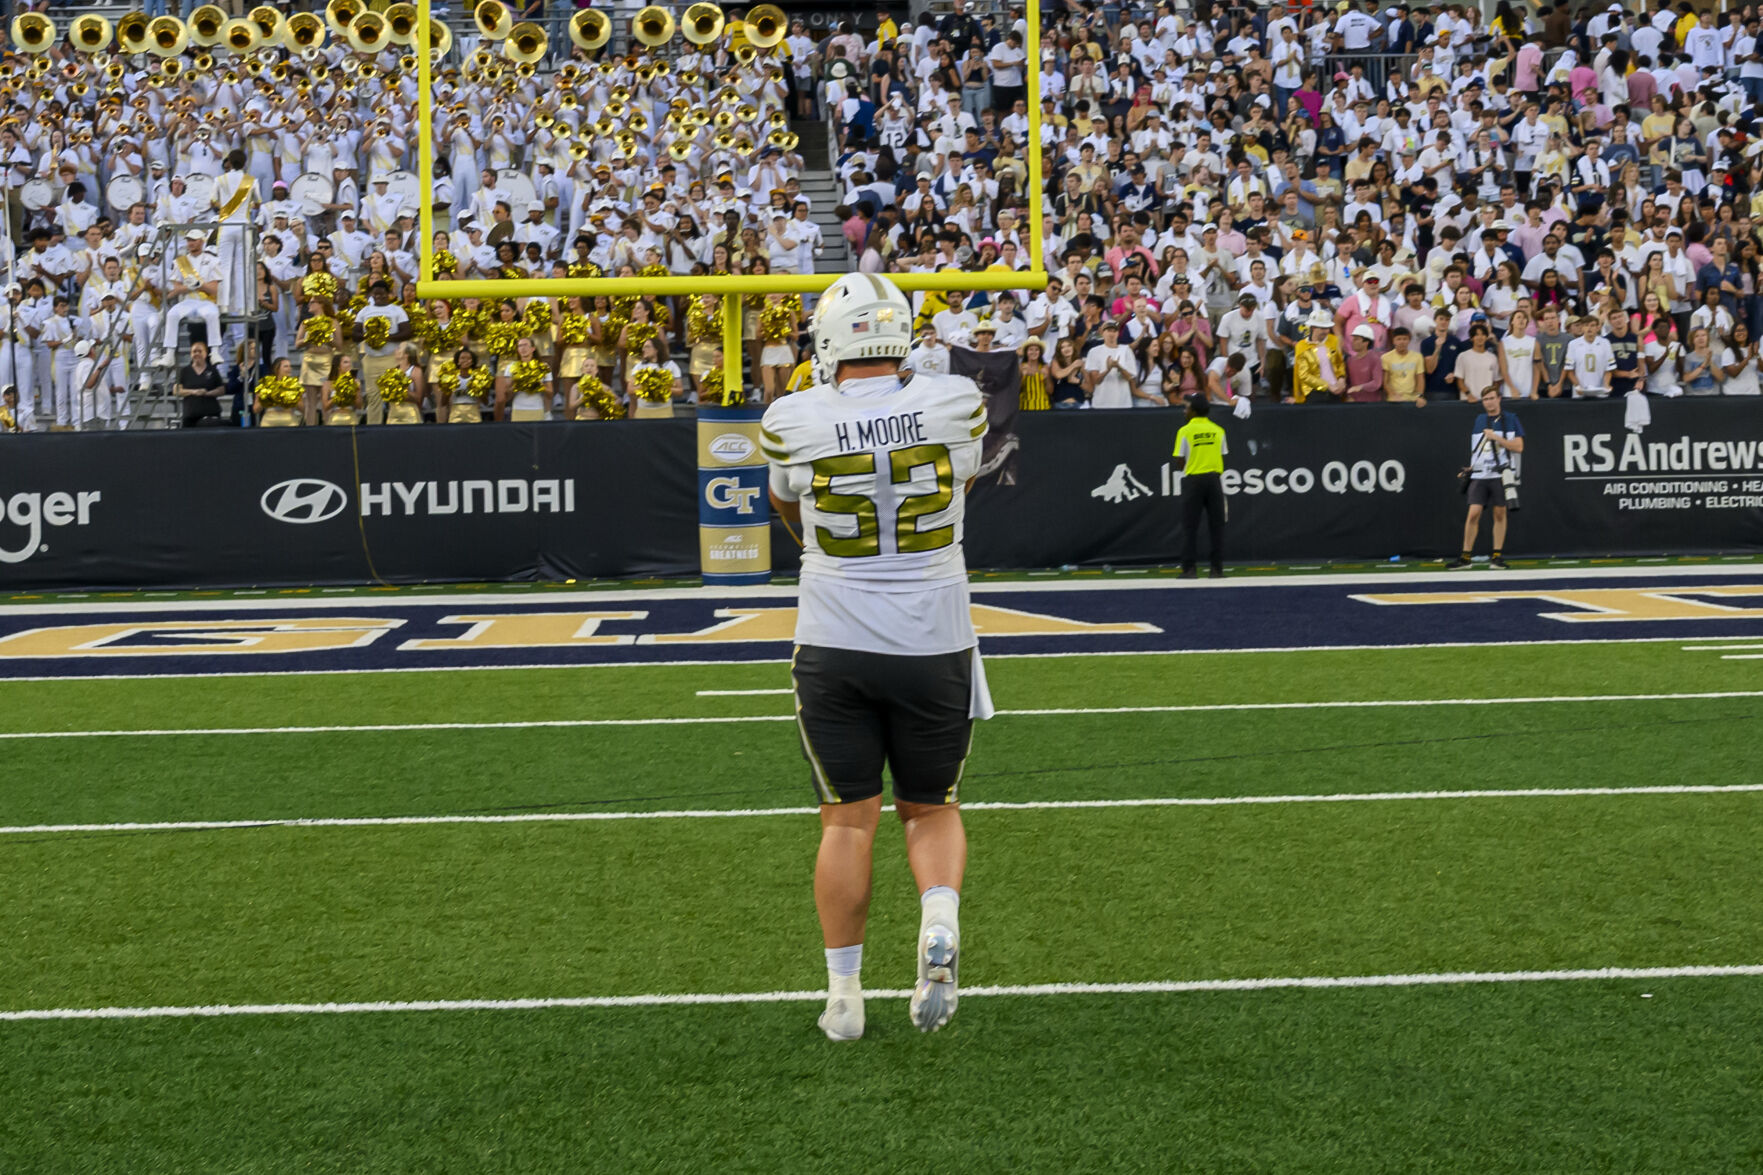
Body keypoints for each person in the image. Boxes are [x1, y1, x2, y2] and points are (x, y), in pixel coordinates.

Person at [761, 272, 992, 1042]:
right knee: (931, 806)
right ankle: (936, 914)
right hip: (934, 634)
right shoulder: (954, 400)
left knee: (846, 821)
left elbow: (787, 498)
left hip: (834, 635)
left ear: (828, 341)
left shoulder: (793, 416)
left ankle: (843, 994)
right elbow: (958, 469)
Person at [1448, 386, 1523, 571]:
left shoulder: (1510, 419)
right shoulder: (1479, 419)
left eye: (1491, 398)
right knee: (1473, 512)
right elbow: (1479, 449)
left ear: (1499, 398)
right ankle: (1466, 556)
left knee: (1499, 513)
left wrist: (1497, 437)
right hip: (1480, 473)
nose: (1489, 402)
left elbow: (1519, 447)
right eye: (1485, 399)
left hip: (1501, 472)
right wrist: (1471, 468)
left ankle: (1497, 556)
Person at [1173, 393, 1228, 579]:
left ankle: (1189, 569)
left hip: (1193, 480)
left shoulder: (1185, 431)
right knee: (1217, 526)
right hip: (1214, 480)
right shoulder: (1219, 430)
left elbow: (1179, 459)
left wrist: (1190, 467)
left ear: (1194, 411)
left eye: (1187, 408)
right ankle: (1216, 569)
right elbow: (1222, 453)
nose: (1185, 411)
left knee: (1190, 527)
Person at [176, 340, 226, 428]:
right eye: (194, 351)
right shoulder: (185, 371)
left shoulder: (213, 370)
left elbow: (221, 389)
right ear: (191, 354)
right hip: (190, 415)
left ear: (206, 353)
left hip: (211, 414)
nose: (197, 354)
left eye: (200, 351)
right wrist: (194, 392)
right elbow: (176, 390)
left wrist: (208, 393)